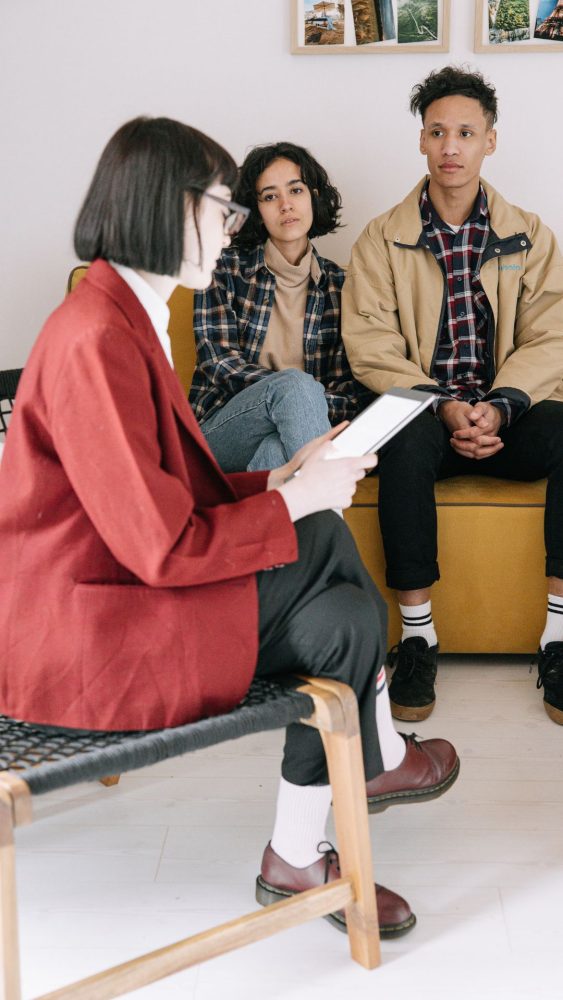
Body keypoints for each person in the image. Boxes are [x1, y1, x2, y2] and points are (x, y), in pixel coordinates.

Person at [0, 116, 458, 938]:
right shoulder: (97, 337)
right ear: (168, 209)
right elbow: (157, 544)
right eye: (224, 207)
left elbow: (160, 492)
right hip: (94, 630)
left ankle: (297, 855)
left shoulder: (122, 315)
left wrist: (278, 477)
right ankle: (364, 774)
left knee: (343, 617)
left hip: (119, 592)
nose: (234, 224)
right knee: (318, 539)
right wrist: (293, 500)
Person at [342, 66, 563, 726]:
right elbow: (370, 342)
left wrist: (500, 404)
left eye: (465, 132)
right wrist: (440, 404)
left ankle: (556, 638)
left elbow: (550, 335)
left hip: (506, 416)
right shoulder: (380, 238)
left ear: (489, 141)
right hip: (427, 415)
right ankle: (416, 638)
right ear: (420, 141)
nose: (450, 146)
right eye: (437, 131)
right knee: (403, 434)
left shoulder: (528, 234)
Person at [189, 141, 372, 472]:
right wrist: (294, 394)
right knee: (295, 385)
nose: (286, 205)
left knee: (277, 451)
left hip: (295, 434)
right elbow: (219, 361)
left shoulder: (340, 285)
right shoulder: (224, 269)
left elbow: (350, 389)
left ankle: (296, 523)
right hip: (220, 431)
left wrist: (302, 406)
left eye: (296, 190)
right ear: (256, 209)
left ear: (313, 197)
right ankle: (330, 516)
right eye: (270, 196)